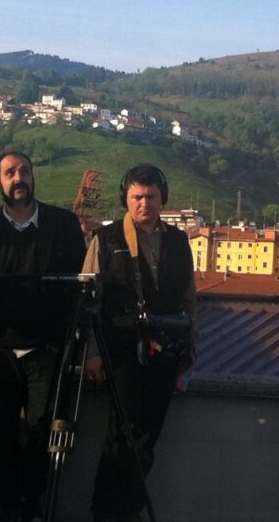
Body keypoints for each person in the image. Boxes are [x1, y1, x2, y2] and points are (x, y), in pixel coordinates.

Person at [0, 151, 86, 521]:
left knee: (41, 432)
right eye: (10, 173)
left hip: (46, 350)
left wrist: (73, 346)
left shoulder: (63, 224)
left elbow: (78, 290)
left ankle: (32, 506)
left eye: (25, 171)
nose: (20, 178)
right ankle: (8, 508)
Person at [82, 164, 197, 522]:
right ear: (125, 198)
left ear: (162, 198)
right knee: (124, 435)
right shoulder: (107, 238)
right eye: (136, 196)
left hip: (165, 349)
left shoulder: (178, 241)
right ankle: (106, 512)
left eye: (150, 196)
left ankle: (127, 509)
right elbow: (88, 300)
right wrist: (93, 352)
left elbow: (188, 296)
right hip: (120, 350)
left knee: (149, 438)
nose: (143, 203)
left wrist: (190, 344)